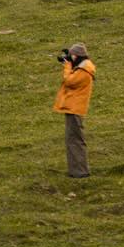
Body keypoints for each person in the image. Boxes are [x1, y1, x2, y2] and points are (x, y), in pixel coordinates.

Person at [53, 41, 96, 178]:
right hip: (73, 107)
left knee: (75, 140)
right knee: (73, 139)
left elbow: (69, 81)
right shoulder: (83, 67)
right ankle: (76, 170)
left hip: (75, 109)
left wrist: (67, 65)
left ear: (76, 56)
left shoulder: (84, 70)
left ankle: (80, 171)